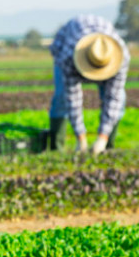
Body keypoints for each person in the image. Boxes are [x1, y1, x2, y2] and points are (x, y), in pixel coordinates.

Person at [48, 14, 130, 154]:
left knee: (119, 99)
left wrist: (102, 138)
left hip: (103, 51)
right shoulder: (69, 58)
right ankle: (57, 148)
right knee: (62, 97)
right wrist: (81, 139)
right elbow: (73, 99)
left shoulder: (121, 58)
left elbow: (113, 99)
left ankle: (107, 146)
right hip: (65, 46)